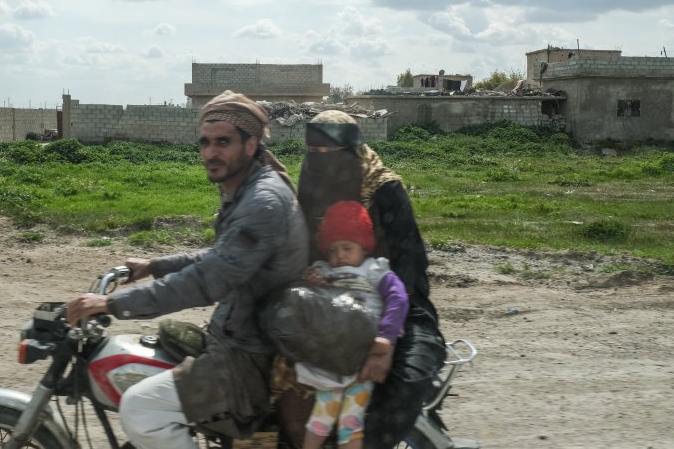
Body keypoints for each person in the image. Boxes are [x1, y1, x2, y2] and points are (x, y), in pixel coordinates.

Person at [66, 90, 309, 449]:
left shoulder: (263, 201)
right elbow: (221, 259)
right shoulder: (247, 189)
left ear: (251, 143)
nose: (211, 153)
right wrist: (154, 265)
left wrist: (111, 305)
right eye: (206, 143)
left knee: (141, 407)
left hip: (250, 356)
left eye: (223, 142)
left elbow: (208, 280)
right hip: (237, 335)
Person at [279, 109, 446, 449]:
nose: (321, 163)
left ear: (354, 153)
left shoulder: (385, 191)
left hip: (401, 308)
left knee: (404, 383)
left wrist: (388, 340)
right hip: (333, 307)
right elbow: (307, 256)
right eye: (314, 155)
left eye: (331, 155)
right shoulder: (311, 194)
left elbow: (409, 270)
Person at [297, 199, 409, 449]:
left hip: (364, 353)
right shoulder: (324, 270)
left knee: (351, 420)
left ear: (364, 248)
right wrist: (311, 282)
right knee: (322, 414)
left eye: (347, 247)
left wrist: (387, 334)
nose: (340, 256)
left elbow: (398, 297)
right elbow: (308, 299)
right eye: (333, 250)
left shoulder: (374, 270)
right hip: (333, 355)